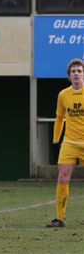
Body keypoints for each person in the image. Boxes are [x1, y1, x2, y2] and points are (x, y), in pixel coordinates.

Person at [46, 58, 84, 228]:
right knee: (62, 177)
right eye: (73, 71)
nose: (76, 73)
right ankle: (60, 218)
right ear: (69, 76)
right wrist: (55, 141)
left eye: (79, 71)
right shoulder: (63, 94)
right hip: (69, 142)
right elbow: (60, 118)